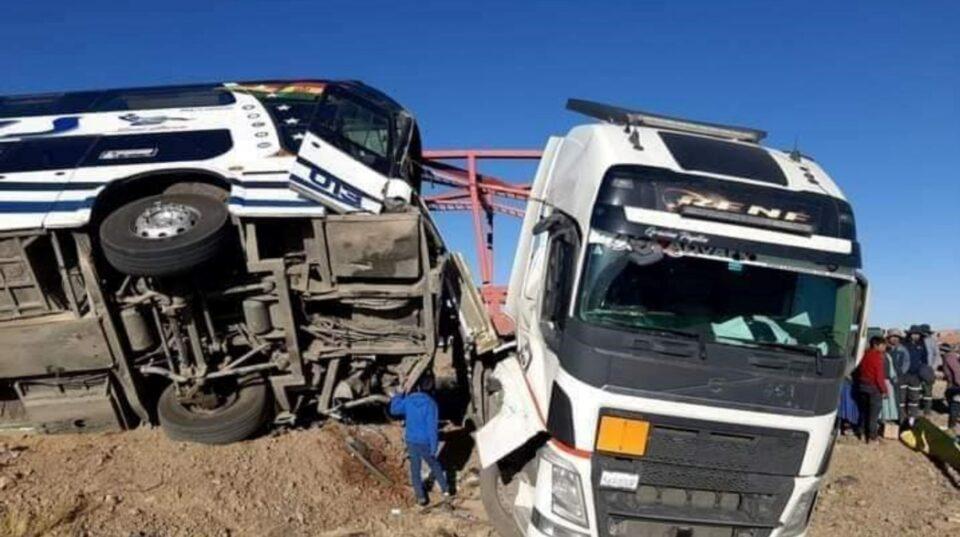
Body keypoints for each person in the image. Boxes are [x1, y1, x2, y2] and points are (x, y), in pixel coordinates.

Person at [389, 374, 451, 506]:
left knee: (415, 469)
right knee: (435, 465)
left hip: (411, 440)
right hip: (425, 442)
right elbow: (432, 428)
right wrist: (434, 447)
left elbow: (394, 410)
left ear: (418, 387)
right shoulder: (431, 404)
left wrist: (398, 395)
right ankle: (446, 490)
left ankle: (420, 497)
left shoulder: (409, 400)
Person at [856, 336, 888, 443]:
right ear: (876, 345)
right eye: (883, 345)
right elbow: (879, 376)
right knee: (873, 414)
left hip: (862, 386)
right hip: (874, 388)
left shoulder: (864, 354)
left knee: (863, 412)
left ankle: (861, 433)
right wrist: (884, 390)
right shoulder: (877, 357)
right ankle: (872, 437)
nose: (884, 347)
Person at [904, 325, 935, 417]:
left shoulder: (921, 344)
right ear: (910, 334)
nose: (915, 336)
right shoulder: (904, 344)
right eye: (913, 334)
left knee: (914, 395)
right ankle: (904, 413)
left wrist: (924, 369)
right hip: (905, 373)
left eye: (917, 334)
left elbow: (924, 358)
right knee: (904, 394)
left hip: (916, 374)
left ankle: (913, 414)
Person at [886, 329, 910, 419]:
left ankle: (899, 417)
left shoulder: (903, 349)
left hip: (899, 377)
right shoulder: (885, 349)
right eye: (893, 337)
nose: (895, 339)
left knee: (899, 397)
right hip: (887, 377)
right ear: (889, 338)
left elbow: (906, 362)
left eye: (897, 337)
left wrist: (901, 372)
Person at [942, 343, 960, 434]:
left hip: (955, 386)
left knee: (954, 405)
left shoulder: (949, 357)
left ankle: (951, 427)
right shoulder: (953, 357)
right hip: (954, 384)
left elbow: (956, 372)